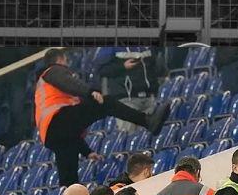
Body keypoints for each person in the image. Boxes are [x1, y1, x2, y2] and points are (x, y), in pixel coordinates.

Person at [36, 49, 168, 186]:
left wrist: (87, 152)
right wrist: (90, 92)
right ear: (60, 60)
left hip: (52, 133)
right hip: (58, 120)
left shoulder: (45, 83)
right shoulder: (54, 70)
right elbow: (69, 82)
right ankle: (147, 121)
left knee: (69, 179)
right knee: (107, 103)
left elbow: (70, 132)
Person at [99, 48, 164, 133]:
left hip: (149, 98)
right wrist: (123, 66)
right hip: (126, 100)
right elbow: (101, 70)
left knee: (148, 138)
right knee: (129, 136)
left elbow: (156, 67)